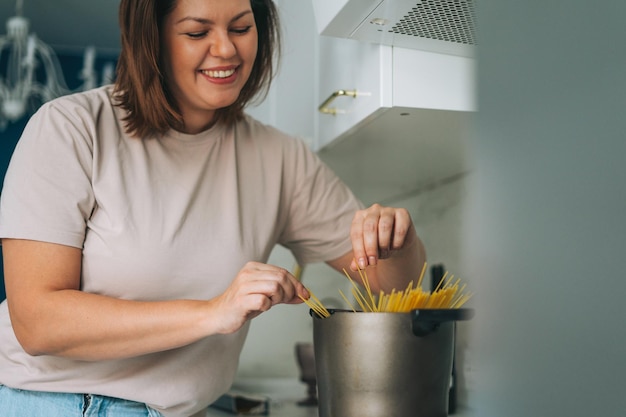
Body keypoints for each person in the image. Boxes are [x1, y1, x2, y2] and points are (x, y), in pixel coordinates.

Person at [0, 0, 426, 416]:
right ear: (153, 41)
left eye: (241, 28)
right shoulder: (70, 128)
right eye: (197, 32)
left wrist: (397, 242)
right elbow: (38, 322)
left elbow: (389, 288)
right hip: (54, 404)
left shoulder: (280, 159)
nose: (226, 50)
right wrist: (213, 312)